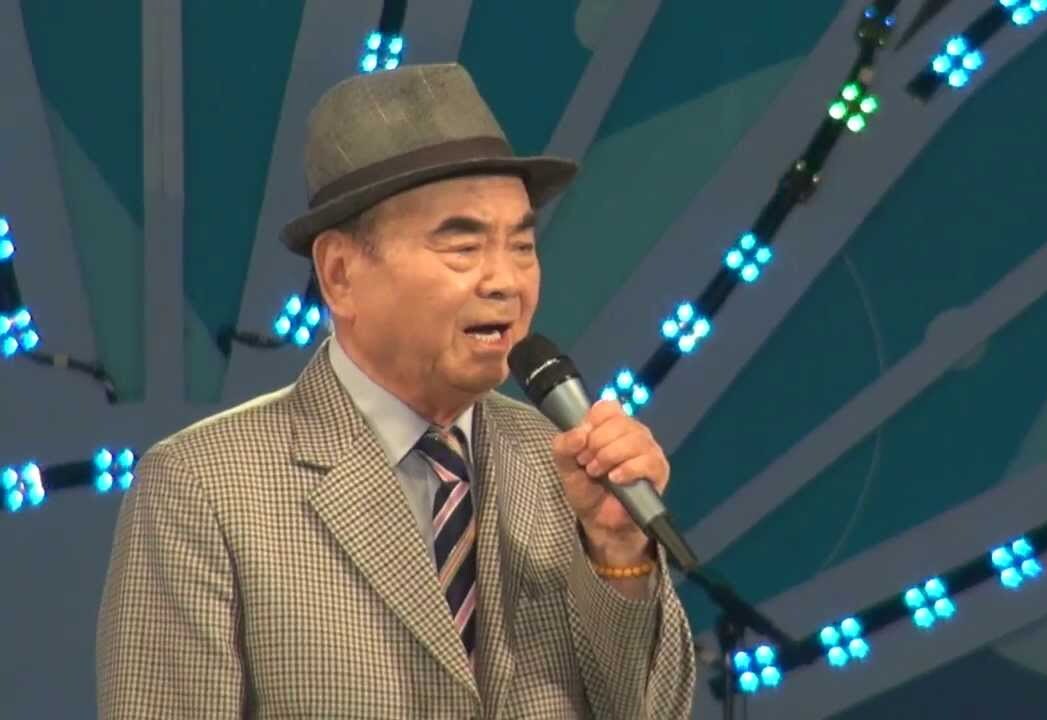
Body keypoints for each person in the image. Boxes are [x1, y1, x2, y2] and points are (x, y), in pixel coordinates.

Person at [96, 63, 696, 719]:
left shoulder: (566, 463)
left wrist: (617, 553)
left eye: (522, 247)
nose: (506, 281)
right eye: (463, 247)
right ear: (340, 274)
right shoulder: (203, 486)